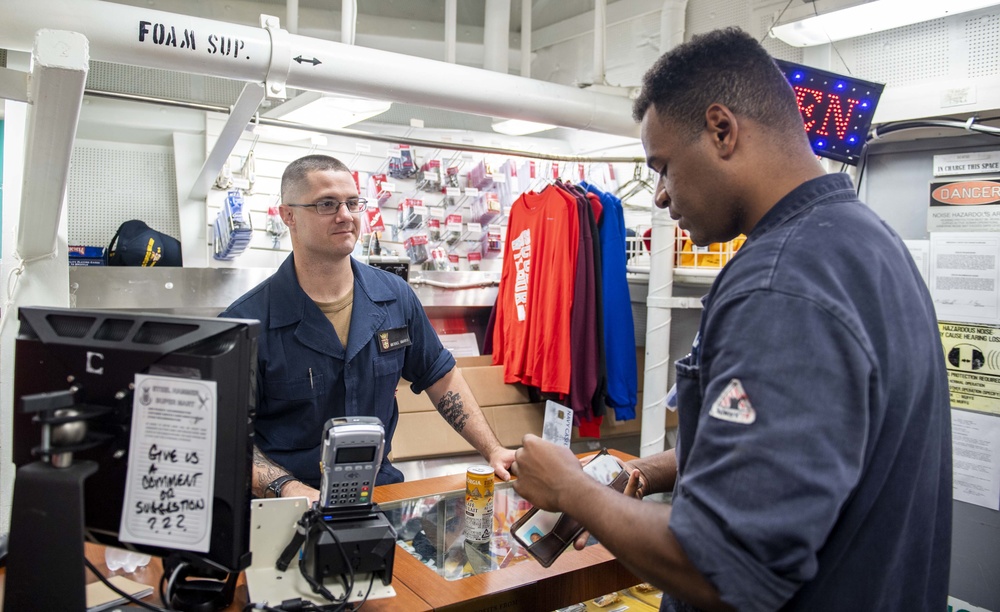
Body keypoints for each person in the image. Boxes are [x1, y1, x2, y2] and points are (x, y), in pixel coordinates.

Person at [510, 28, 951, 612]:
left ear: (722, 130)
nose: (660, 196)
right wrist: (651, 470)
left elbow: (726, 571)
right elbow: (803, 446)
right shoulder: (862, 242)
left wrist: (571, 491)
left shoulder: (780, 283)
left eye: (662, 166)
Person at [221, 154, 515, 503]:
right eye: (327, 204)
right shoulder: (248, 322)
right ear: (288, 216)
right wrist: (292, 490)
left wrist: (494, 450)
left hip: (380, 495)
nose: (345, 216)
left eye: (352, 202)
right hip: (288, 506)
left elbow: (441, 377)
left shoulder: (394, 297)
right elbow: (226, 435)